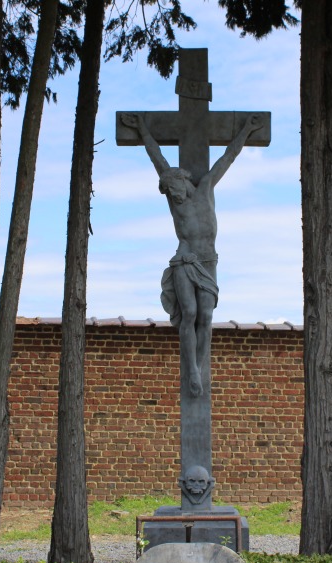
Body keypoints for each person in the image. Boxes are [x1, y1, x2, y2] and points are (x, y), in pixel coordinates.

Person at [121, 111, 263, 397]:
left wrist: (247, 130)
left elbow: (227, 158)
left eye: (175, 191)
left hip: (208, 261)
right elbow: (157, 159)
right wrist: (142, 131)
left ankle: (199, 364)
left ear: (181, 184)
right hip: (184, 261)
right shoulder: (176, 204)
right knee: (190, 313)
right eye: (169, 195)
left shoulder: (206, 188)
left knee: (206, 316)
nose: (174, 198)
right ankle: (193, 372)